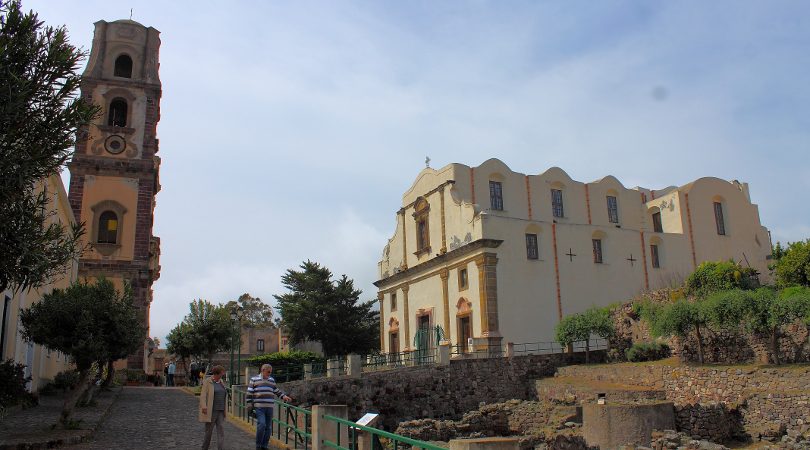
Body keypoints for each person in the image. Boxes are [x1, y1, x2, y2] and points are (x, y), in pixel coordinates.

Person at [247, 364, 292, 450]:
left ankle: (264, 446)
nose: (269, 374)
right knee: (262, 425)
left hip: (269, 407)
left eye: (270, 372)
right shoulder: (254, 379)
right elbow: (249, 393)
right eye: (268, 372)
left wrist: (284, 396)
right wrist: (249, 405)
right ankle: (258, 445)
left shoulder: (271, 380)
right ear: (263, 370)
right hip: (259, 407)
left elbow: (276, 390)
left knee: (268, 427)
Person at [199, 365, 228, 450]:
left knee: (221, 432)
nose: (223, 375)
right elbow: (203, 395)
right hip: (211, 411)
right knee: (208, 432)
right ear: (217, 373)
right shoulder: (208, 381)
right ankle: (204, 448)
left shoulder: (221, 382)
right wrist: (204, 406)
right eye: (222, 373)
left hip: (221, 411)